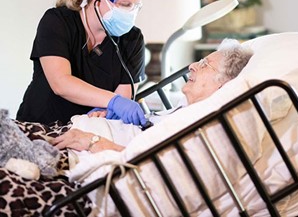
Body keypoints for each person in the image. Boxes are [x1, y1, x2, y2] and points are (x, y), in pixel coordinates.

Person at [51, 38, 254, 153]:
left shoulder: (205, 126)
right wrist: (113, 118)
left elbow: (150, 163)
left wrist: (94, 141)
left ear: (223, 84)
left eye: (203, 65)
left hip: (76, 150)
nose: (191, 66)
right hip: (69, 133)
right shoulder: (182, 110)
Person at [16, 0, 148, 127]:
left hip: (89, 132)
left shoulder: (132, 39)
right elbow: (60, 83)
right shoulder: (57, 22)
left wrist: (108, 111)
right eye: (125, 4)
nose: (130, 13)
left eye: (136, 6)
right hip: (40, 126)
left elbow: (124, 96)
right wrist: (113, 101)